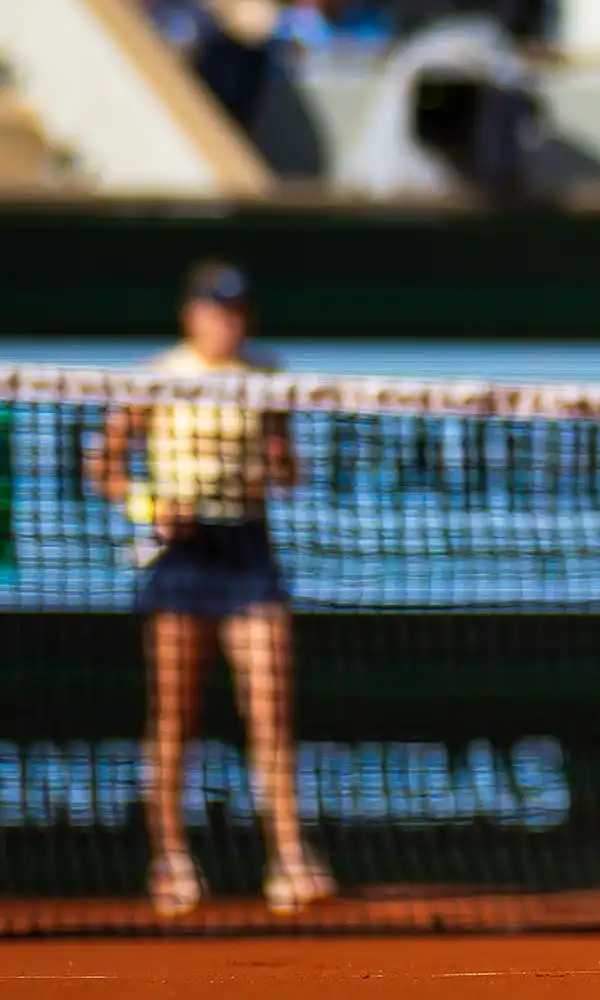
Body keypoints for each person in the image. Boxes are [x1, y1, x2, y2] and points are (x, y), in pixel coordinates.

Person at [93, 261, 335, 918]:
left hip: (248, 551)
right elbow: (104, 468)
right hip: (180, 556)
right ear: (190, 314)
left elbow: (288, 472)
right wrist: (150, 506)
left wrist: (276, 461)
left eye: (237, 310)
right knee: (175, 715)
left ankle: (289, 858)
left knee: (272, 712)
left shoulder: (267, 378)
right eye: (214, 309)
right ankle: (170, 861)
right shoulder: (156, 376)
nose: (227, 321)